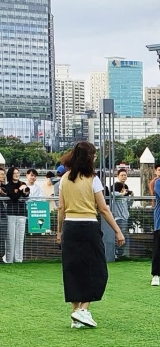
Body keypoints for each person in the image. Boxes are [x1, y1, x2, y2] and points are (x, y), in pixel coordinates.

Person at [55, 141, 125, 328]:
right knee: (97, 269)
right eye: (93, 155)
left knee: (72, 269)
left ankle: (75, 313)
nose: (94, 157)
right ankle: (83, 310)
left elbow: (61, 207)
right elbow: (103, 208)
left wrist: (59, 231)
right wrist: (118, 230)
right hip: (88, 226)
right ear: (88, 157)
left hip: (69, 226)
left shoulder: (64, 178)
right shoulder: (93, 179)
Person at [3, 167, 29, 263]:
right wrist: (19, 190)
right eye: (14, 173)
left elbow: (26, 194)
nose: (17, 175)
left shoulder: (23, 184)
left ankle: (19, 260)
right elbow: (14, 197)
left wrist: (24, 190)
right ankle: (9, 260)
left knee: (20, 238)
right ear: (10, 174)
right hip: (11, 214)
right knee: (10, 238)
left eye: (18, 173)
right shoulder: (7, 186)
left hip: (22, 214)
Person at [111, 182, 131, 259]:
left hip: (125, 218)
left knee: (124, 236)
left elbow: (129, 204)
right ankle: (116, 253)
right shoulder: (116, 195)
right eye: (122, 188)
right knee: (119, 236)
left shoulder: (123, 197)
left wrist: (129, 195)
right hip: (119, 218)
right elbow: (113, 193)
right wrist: (123, 193)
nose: (124, 189)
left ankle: (121, 254)